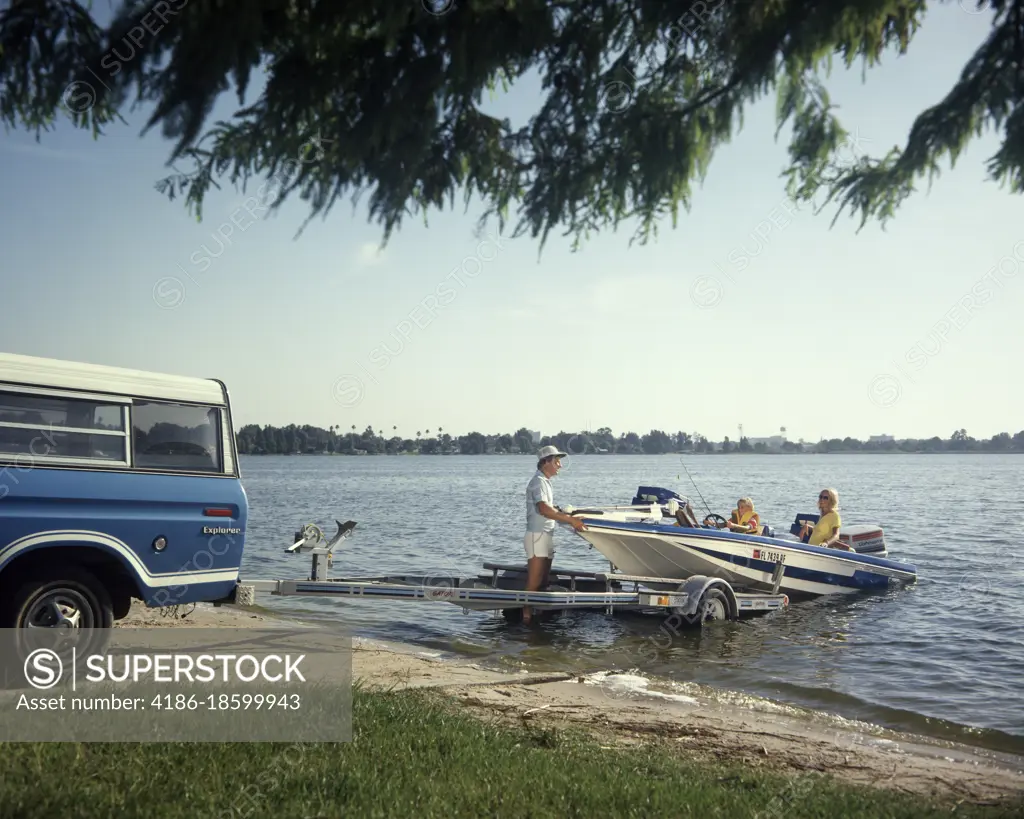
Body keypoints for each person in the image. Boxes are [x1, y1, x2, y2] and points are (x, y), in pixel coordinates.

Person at [523, 445, 586, 624]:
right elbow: (543, 509)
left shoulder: (544, 481)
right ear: (546, 462)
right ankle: (526, 619)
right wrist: (571, 521)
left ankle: (535, 618)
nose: (560, 465)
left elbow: (549, 509)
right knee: (534, 582)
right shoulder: (538, 482)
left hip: (545, 535)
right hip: (537, 535)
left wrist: (569, 516)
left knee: (542, 581)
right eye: (557, 461)